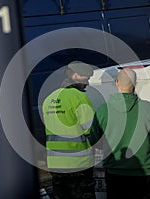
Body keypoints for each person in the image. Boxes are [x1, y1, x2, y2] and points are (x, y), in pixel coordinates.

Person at [88, 68, 150, 199]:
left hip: (115, 174)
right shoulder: (147, 108)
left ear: (117, 83)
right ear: (136, 84)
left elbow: (93, 141)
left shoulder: (103, 110)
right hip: (145, 173)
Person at [42, 61, 96, 199]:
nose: (87, 83)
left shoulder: (50, 99)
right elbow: (91, 130)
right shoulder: (79, 97)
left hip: (55, 164)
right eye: (86, 78)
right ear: (76, 76)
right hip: (78, 163)